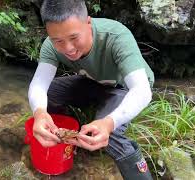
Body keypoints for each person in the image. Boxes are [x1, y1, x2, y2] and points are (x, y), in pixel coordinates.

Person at [27, 0, 154, 179]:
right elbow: (39, 84)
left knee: (111, 134)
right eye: (58, 41)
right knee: (48, 95)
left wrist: (108, 123)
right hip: (93, 82)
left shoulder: (115, 36)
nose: (68, 48)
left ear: (88, 22)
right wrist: (39, 114)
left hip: (123, 88)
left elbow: (142, 90)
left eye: (74, 38)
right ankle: (69, 138)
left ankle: (141, 176)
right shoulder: (50, 45)